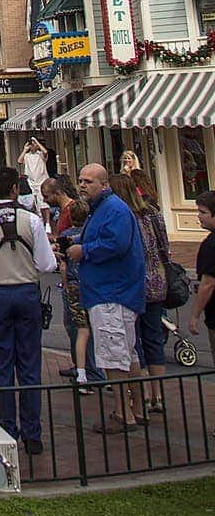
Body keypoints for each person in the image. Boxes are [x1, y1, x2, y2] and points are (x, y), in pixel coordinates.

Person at [0, 165, 57, 454]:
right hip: (26, 291)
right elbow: (47, 264)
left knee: (1, 361)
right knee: (29, 363)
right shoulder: (30, 221)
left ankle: (6, 429)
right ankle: (33, 433)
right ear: (15, 189)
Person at [66, 162, 146, 434]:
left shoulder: (113, 209)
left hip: (112, 292)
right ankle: (136, 408)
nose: (83, 185)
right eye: (81, 180)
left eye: (89, 181)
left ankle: (125, 413)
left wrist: (84, 250)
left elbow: (116, 244)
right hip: (110, 291)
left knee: (114, 355)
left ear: (104, 184)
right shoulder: (102, 209)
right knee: (127, 352)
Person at [112, 171, 173, 418]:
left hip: (134, 284)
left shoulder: (123, 218)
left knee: (134, 340)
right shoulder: (154, 213)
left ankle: (140, 396)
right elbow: (165, 246)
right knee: (154, 336)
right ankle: (157, 394)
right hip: (157, 281)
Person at [55, 198, 104, 390]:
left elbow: (63, 265)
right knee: (97, 328)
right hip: (92, 284)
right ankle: (101, 371)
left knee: (81, 330)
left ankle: (82, 372)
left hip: (74, 286)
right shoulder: (92, 233)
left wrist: (65, 285)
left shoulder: (66, 236)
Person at [188, 189, 215, 367]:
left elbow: (208, 283)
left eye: (203, 212)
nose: (199, 216)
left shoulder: (210, 245)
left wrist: (195, 315)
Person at [18, 137, 51, 212]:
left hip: (41, 181)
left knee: (44, 203)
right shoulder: (27, 156)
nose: (32, 146)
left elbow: (45, 152)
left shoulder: (40, 154)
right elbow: (19, 161)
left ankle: (47, 222)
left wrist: (36, 142)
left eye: (34, 144)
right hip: (31, 182)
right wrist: (25, 149)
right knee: (34, 202)